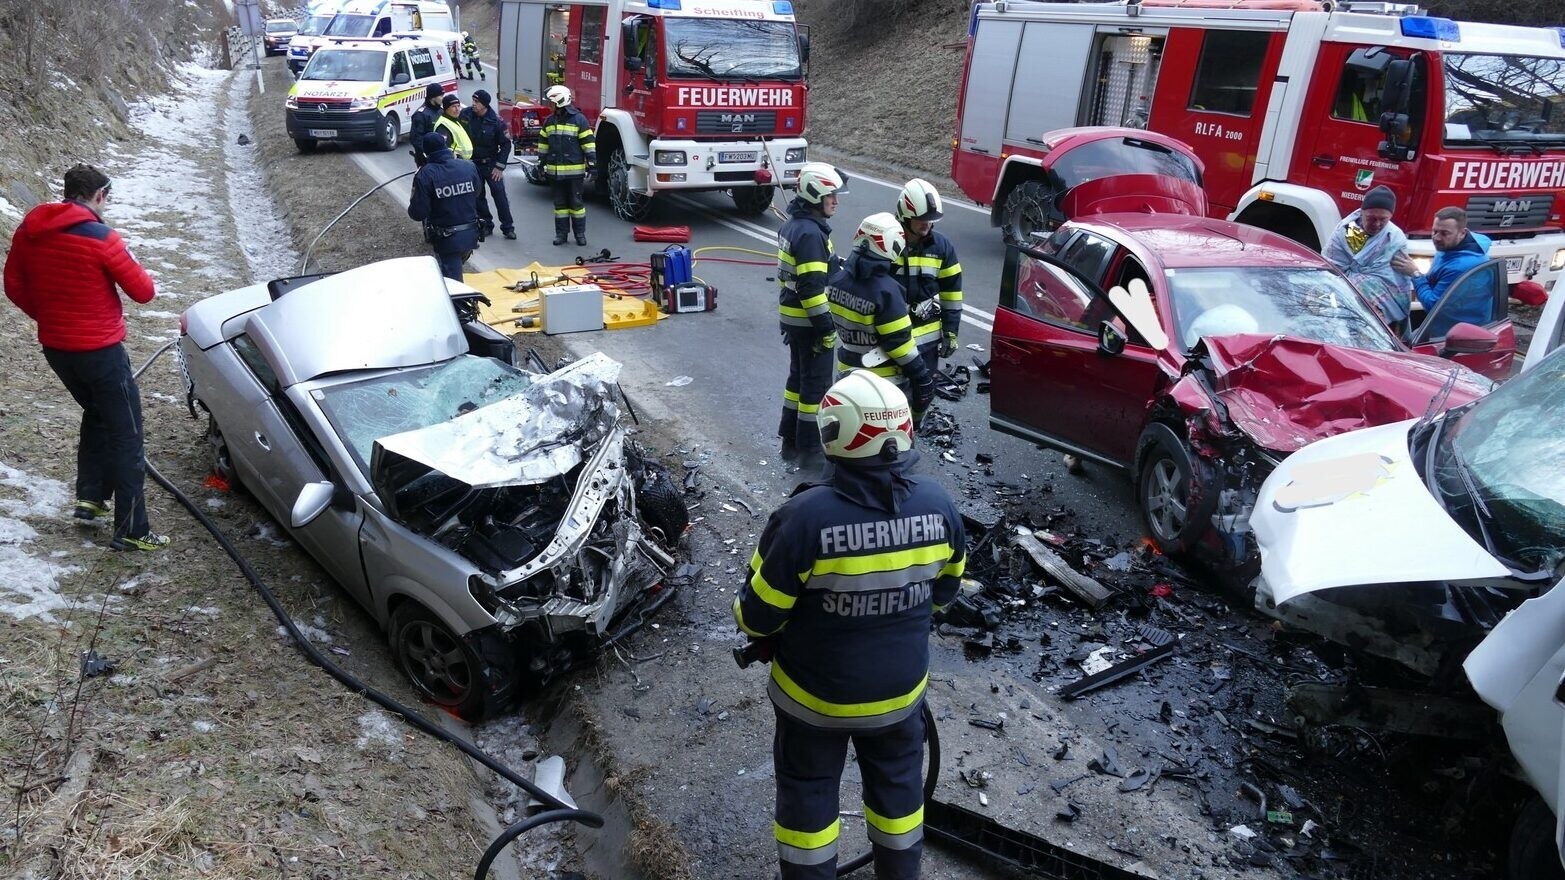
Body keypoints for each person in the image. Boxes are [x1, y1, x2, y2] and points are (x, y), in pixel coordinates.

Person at [735, 368, 965, 880]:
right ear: (902, 431)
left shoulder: (803, 518)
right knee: (899, 791)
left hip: (813, 701)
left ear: (833, 434)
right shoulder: (939, 506)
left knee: (809, 794)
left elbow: (757, 616)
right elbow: (943, 597)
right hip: (900, 698)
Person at [3, 164, 167, 551]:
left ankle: (90, 497)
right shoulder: (103, 238)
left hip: (58, 350)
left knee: (96, 411)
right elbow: (144, 292)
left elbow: (13, 285)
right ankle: (132, 530)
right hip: (102, 352)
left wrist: (49, 316)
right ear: (99, 196)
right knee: (128, 435)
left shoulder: (29, 231)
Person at [829, 213, 936, 427]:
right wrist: (921, 376)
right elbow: (900, 343)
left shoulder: (838, 280)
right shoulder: (887, 291)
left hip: (846, 374)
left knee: (852, 434)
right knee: (894, 443)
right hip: (884, 384)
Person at [776, 162, 848, 471]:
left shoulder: (797, 225)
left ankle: (789, 441)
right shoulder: (810, 234)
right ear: (816, 195)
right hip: (809, 323)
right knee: (815, 388)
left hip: (793, 320)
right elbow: (811, 289)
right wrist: (827, 329)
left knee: (797, 381)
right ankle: (810, 450)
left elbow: (810, 275)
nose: (836, 201)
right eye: (831, 195)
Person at [891, 178, 963, 377]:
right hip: (892, 341)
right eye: (922, 218)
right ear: (905, 216)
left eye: (931, 218)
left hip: (927, 345)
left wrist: (950, 332)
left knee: (922, 398)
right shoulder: (887, 243)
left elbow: (952, 295)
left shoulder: (942, 247)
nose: (927, 223)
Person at [1394, 206, 1493, 339]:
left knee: (1405, 346)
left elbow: (1433, 306)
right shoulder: (1451, 247)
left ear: (1462, 233)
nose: (1437, 238)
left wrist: (1416, 275)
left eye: (1444, 233)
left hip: (1457, 335)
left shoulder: (1460, 266)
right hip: (1444, 323)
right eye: (1434, 231)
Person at [1324, 185, 1416, 328]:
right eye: (1371, 218)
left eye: (1383, 220)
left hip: (1383, 300)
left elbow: (1396, 279)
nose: (1377, 224)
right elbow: (1331, 265)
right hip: (1341, 288)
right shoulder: (1347, 230)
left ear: (1390, 217)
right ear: (1362, 213)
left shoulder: (1395, 238)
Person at [407, 131, 481, 281]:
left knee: (452, 285)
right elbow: (477, 192)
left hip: (447, 239)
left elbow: (417, 213)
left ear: (426, 152)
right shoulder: (468, 166)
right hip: (471, 234)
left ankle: (461, 303)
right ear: (445, 146)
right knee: (456, 276)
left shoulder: (425, 174)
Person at [538, 85, 596, 246]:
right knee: (560, 206)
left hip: (574, 174)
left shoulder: (579, 120)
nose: (549, 105)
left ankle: (580, 235)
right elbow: (543, 145)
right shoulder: (549, 122)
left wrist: (593, 165)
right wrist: (540, 164)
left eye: (551, 102)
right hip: (555, 174)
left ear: (559, 101)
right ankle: (561, 235)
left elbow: (589, 145)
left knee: (576, 205)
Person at [461, 89, 515, 241]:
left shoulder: (497, 121)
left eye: (476, 102)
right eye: (473, 100)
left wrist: (499, 167)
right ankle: (486, 225)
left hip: (491, 164)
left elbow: (505, 145)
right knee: (478, 197)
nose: (473, 104)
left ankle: (508, 227)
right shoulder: (465, 115)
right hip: (472, 165)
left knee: (500, 196)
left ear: (484, 105)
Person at [409, 82, 446, 168]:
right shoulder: (421, 115)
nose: (442, 99)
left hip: (442, 157)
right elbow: (416, 139)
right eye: (440, 96)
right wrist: (427, 155)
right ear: (433, 97)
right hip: (428, 161)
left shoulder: (441, 111)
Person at [433, 93, 474, 163]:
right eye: (453, 107)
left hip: (464, 163)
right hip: (456, 164)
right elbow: (444, 150)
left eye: (458, 106)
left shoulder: (454, 120)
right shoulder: (443, 126)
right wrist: (459, 159)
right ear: (446, 109)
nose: (457, 109)